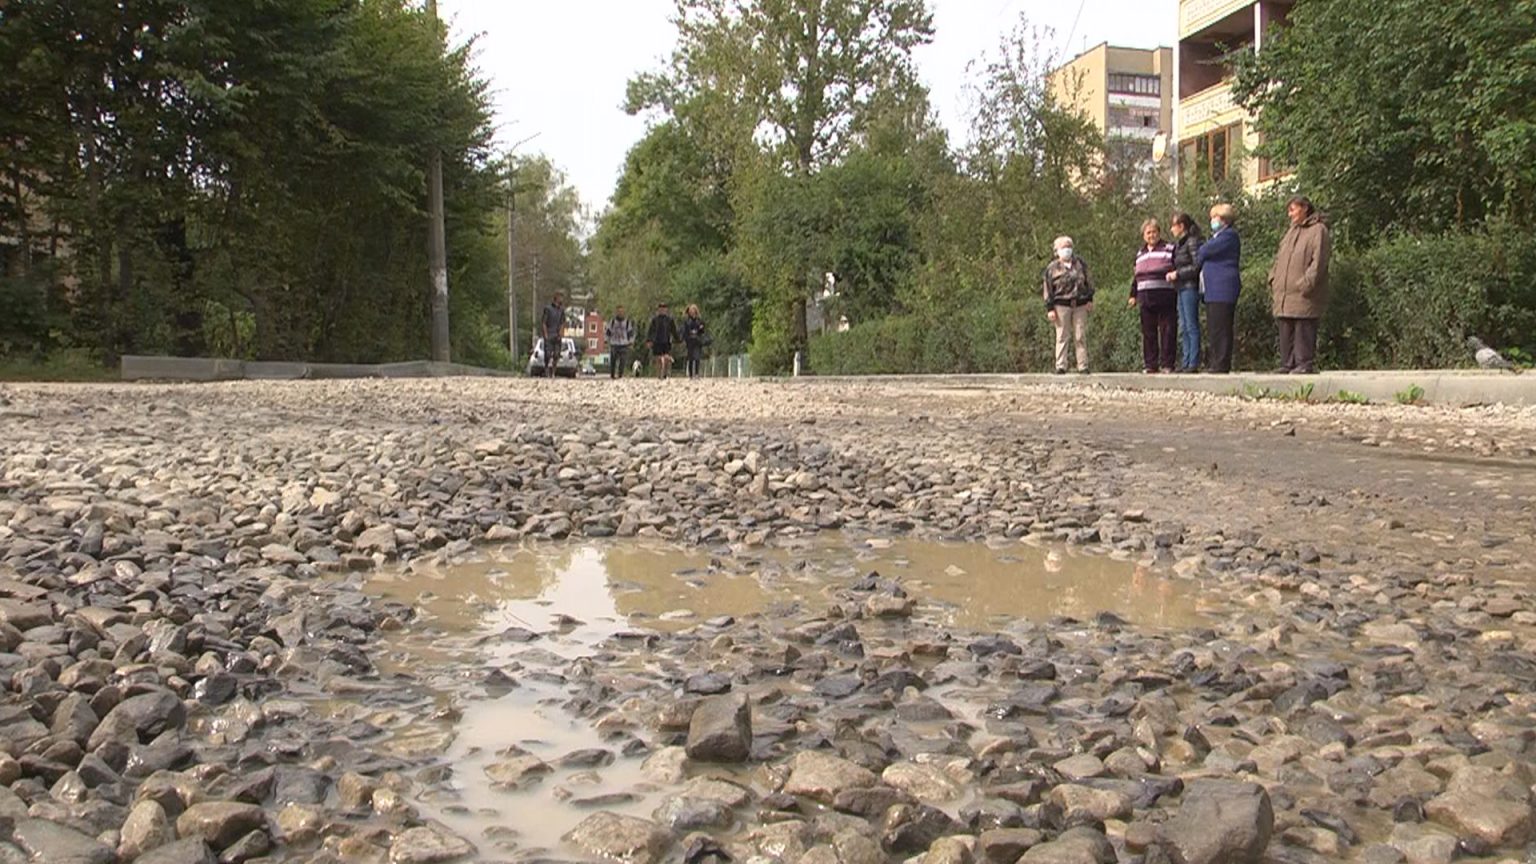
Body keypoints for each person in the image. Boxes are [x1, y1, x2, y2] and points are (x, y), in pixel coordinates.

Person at [1268, 195, 1332, 374]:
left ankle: (1304, 363)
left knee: (1303, 326)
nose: (1290, 214)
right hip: (1284, 291)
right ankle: (1287, 363)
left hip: (1304, 292)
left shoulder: (1318, 230)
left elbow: (1319, 261)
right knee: (1286, 326)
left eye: (1293, 209)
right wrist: (1273, 277)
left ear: (1305, 208)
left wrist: (1307, 283)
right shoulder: (1291, 232)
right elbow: (1279, 258)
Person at [1196, 204, 1241, 374]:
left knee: (1221, 327)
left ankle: (1221, 363)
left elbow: (1205, 251)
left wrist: (1203, 251)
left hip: (1223, 288)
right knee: (1214, 327)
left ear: (1223, 220)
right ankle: (1215, 361)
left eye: (1215, 217)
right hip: (1212, 290)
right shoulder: (1217, 237)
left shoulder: (1229, 236)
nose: (1212, 221)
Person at [1129, 218, 1177, 374]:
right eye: (1148, 232)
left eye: (1154, 232)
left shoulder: (1169, 249)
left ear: (1159, 233)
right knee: (1148, 333)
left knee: (1167, 331)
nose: (1151, 235)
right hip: (1145, 297)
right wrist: (1133, 295)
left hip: (1165, 296)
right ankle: (1150, 364)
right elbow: (1136, 276)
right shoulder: (1139, 253)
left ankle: (1167, 364)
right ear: (1144, 235)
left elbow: (1177, 268)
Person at [1041, 236, 1094, 374]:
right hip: (1061, 305)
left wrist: (1089, 299)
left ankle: (1083, 365)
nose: (1067, 250)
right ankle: (1061, 365)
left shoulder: (1080, 264)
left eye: (1069, 246)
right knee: (1062, 336)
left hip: (1080, 304)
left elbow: (1089, 282)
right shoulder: (1052, 268)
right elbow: (1048, 288)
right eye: (1063, 247)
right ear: (1056, 251)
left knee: (1080, 335)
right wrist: (1050, 308)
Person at [1166, 213, 1204, 372]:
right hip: (1180, 287)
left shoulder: (1192, 242)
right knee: (1183, 326)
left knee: (1191, 324)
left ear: (1181, 226)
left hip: (1189, 286)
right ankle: (1186, 360)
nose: (1171, 229)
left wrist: (1178, 274)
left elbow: (1196, 266)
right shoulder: (1180, 245)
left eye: (1174, 225)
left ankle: (1193, 361)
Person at [646, 301, 680, 380]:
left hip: (666, 341)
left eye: (664, 308)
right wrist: (649, 340)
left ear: (666, 310)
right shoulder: (654, 320)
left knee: (666, 358)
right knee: (658, 359)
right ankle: (659, 374)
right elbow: (650, 331)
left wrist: (678, 339)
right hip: (656, 341)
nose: (662, 310)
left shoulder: (670, 320)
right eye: (661, 308)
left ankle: (664, 373)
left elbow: (673, 330)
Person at [605, 306, 636, 379]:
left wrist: (631, 341)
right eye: (619, 312)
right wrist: (606, 340)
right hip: (614, 344)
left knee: (623, 360)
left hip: (624, 344)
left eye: (621, 312)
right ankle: (612, 375)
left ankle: (620, 375)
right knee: (613, 361)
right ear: (616, 312)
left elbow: (630, 333)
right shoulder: (612, 322)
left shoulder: (627, 322)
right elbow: (608, 332)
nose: (620, 313)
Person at [539, 292, 566, 377]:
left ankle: (553, 372)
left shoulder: (561, 310)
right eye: (560, 297)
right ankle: (547, 368)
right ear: (556, 298)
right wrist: (546, 334)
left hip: (557, 335)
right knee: (548, 354)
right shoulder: (548, 309)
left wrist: (561, 333)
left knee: (557, 354)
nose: (562, 300)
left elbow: (562, 322)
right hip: (549, 334)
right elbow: (544, 322)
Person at [680, 304, 709, 379]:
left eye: (694, 311)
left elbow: (703, 330)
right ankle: (690, 374)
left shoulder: (699, 320)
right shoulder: (686, 321)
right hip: (690, 341)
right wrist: (685, 338)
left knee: (697, 357)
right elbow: (684, 331)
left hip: (697, 340)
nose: (692, 312)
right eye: (691, 311)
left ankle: (696, 373)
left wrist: (700, 329)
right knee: (690, 358)